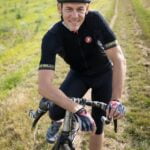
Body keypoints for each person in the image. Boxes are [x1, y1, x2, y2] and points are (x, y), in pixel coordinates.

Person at [38, 0, 126, 149]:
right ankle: (57, 122)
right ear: (59, 8)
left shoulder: (95, 20)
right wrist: (77, 108)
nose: (75, 15)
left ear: (87, 8)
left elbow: (118, 59)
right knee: (55, 113)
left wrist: (116, 99)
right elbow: (44, 86)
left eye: (80, 9)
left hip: (104, 73)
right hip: (79, 74)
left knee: (98, 124)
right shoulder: (52, 36)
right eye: (69, 9)